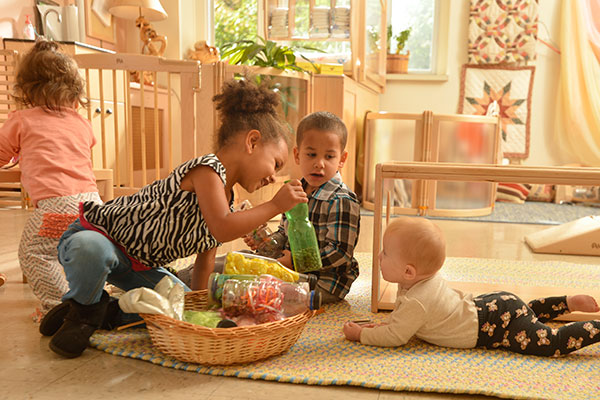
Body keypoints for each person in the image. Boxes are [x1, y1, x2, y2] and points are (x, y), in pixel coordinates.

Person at [41, 77, 308, 359]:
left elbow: (205, 261)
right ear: (252, 142)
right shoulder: (207, 170)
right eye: (276, 163)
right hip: (100, 236)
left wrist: (199, 309)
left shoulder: (225, 200)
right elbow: (223, 227)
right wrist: (275, 205)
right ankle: (82, 311)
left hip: (139, 264)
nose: (273, 176)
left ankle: (103, 310)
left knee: (177, 307)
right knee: (90, 249)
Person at [343, 217, 600, 357]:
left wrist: (361, 335)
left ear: (409, 271)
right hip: (492, 306)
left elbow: (395, 337)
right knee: (526, 312)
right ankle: (565, 302)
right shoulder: (418, 283)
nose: (378, 256)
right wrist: (382, 324)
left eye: (385, 253)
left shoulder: (416, 301)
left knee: (548, 343)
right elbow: (399, 322)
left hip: (493, 328)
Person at [0, 38, 102, 321]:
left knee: (34, 253)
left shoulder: (22, 119)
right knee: (80, 252)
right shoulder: (82, 124)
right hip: (92, 205)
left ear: (28, 89)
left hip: (57, 207)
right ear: (74, 90)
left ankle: (57, 307)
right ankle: (91, 298)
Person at [244, 111, 361, 304]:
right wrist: (269, 243)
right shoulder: (295, 190)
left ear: (342, 159)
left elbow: (339, 253)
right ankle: (185, 278)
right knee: (244, 262)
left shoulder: (342, 200)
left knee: (258, 291)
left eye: (329, 156)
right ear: (298, 155)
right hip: (293, 269)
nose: (319, 164)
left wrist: (297, 261)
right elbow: (285, 231)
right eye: (311, 154)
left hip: (325, 282)